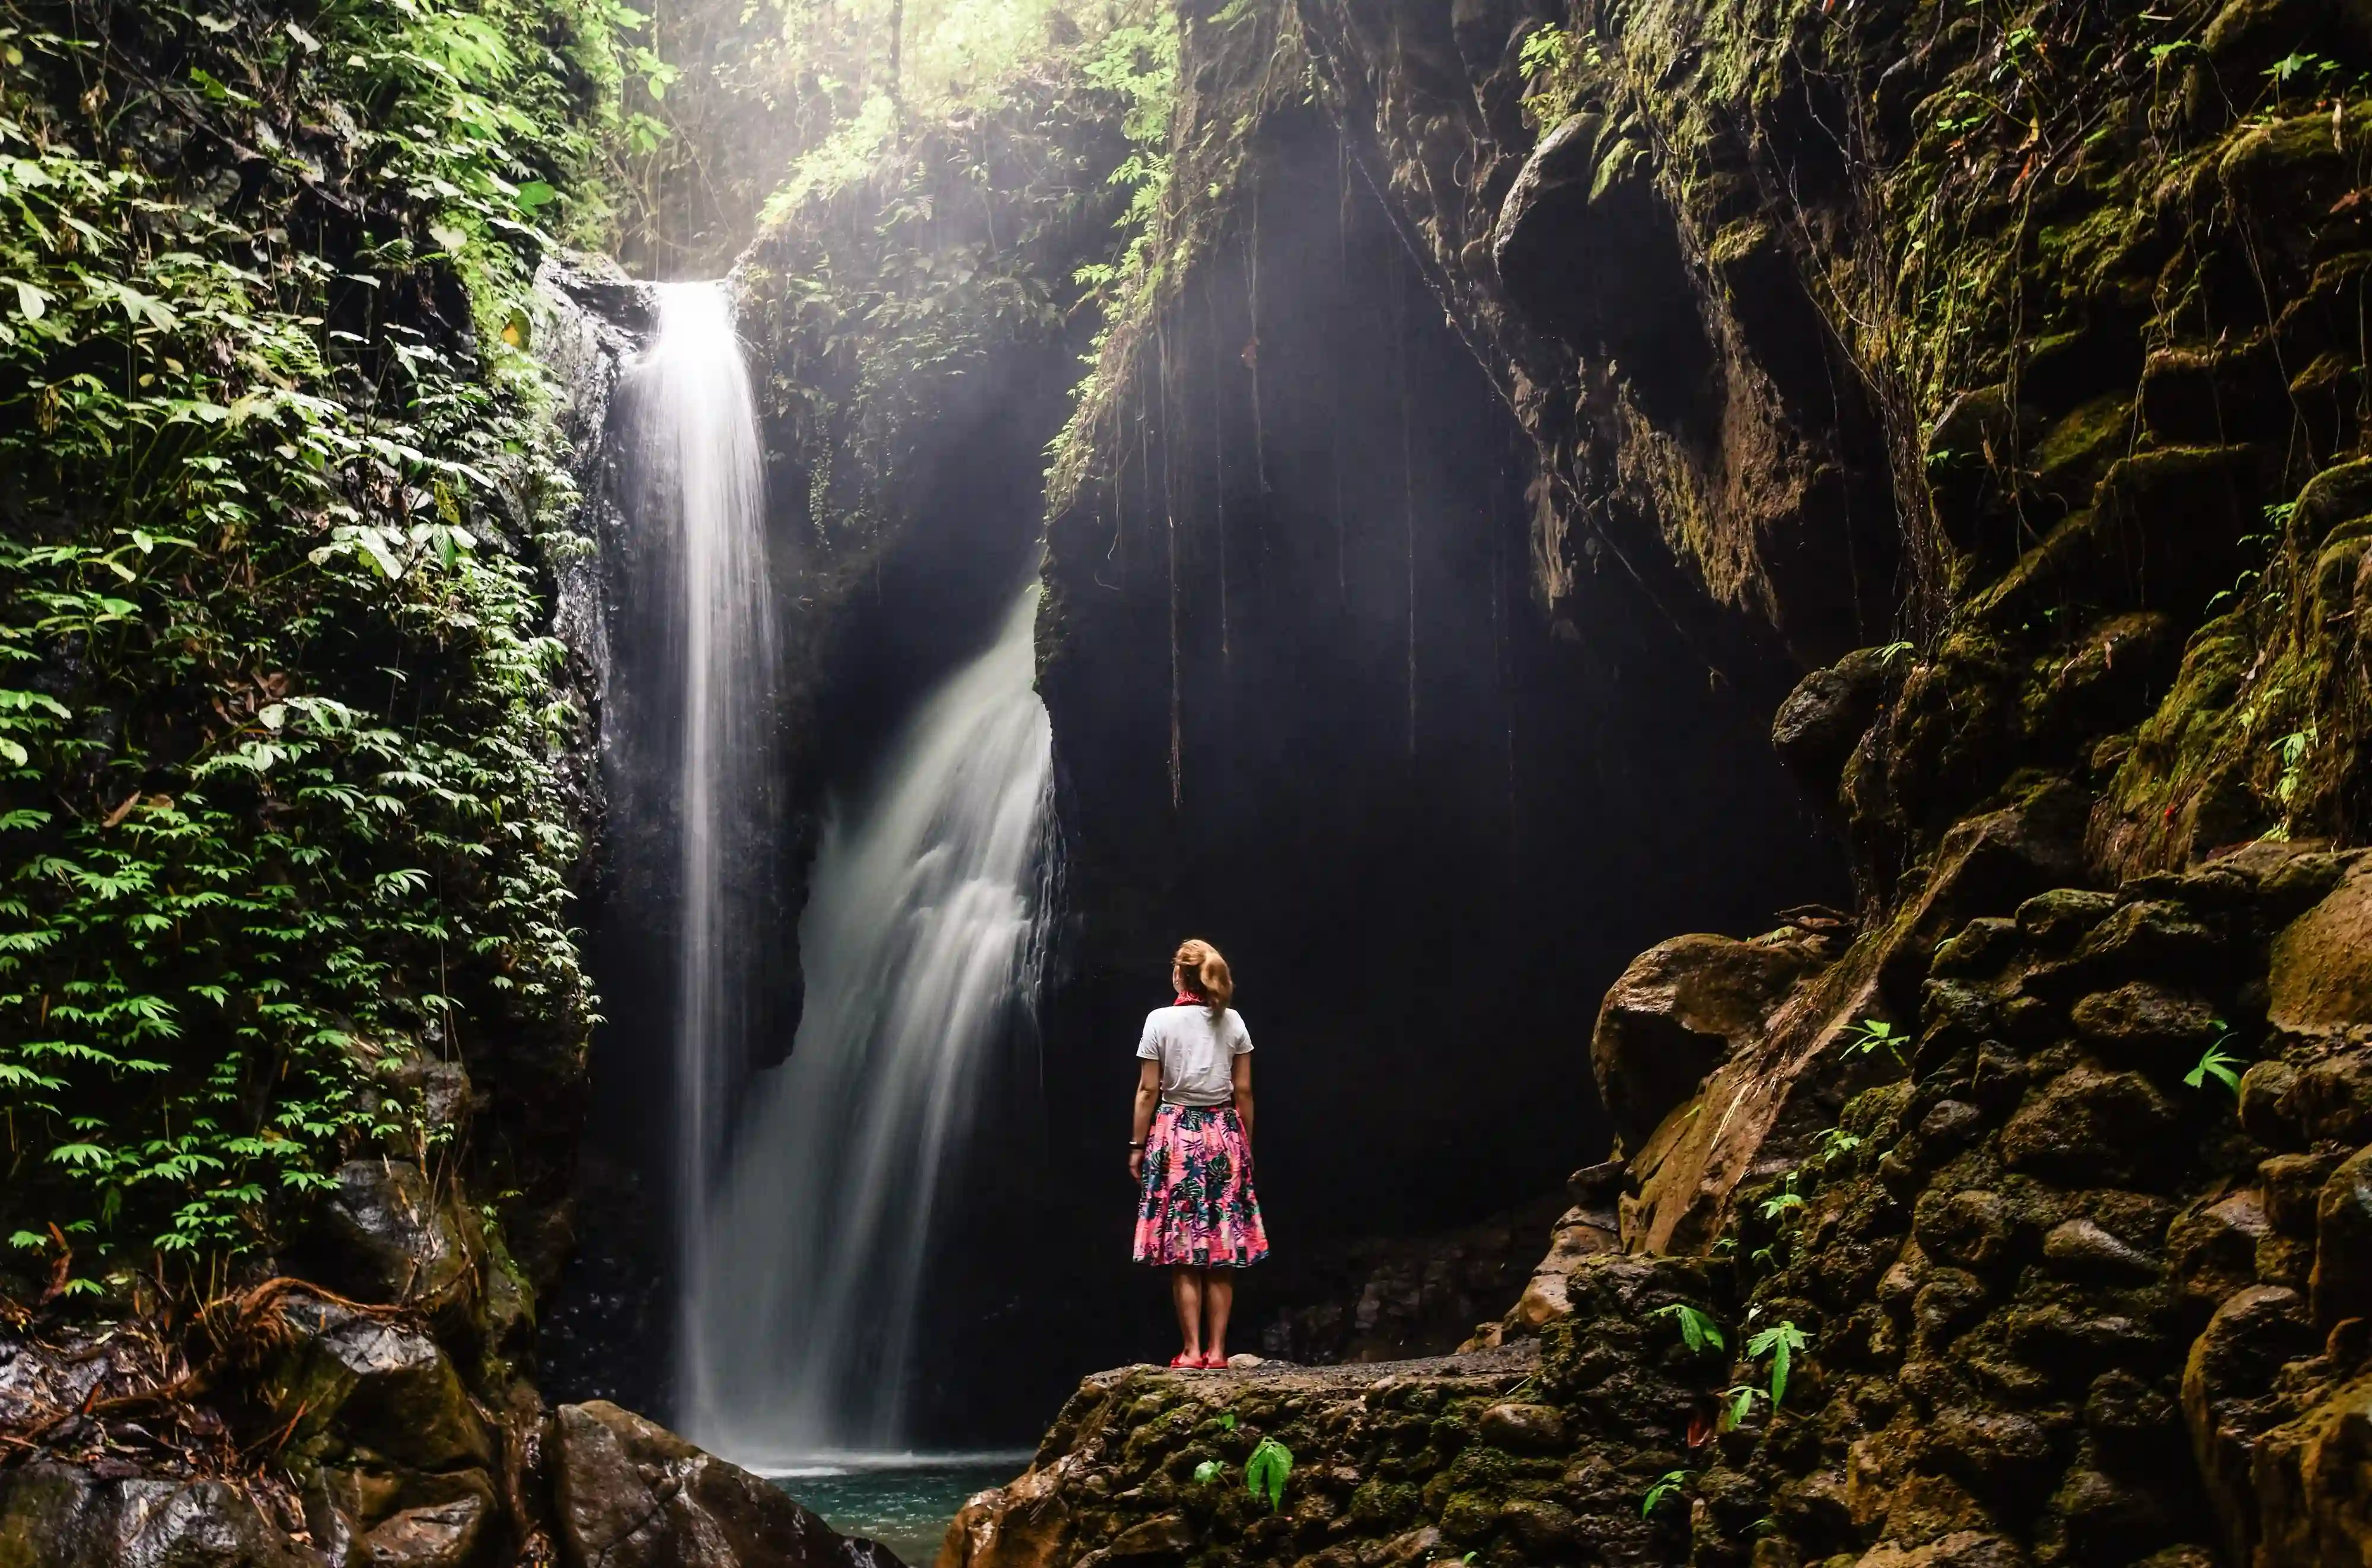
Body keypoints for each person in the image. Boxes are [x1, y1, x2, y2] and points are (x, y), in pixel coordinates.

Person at [1128, 938, 1269, 1369]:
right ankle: (1219, 1352)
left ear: (1178, 976)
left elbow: (1148, 1090)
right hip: (1224, 1132)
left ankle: (1190, 1352)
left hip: (1176, 1134)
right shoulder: (1234, 1022)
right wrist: (1244, 1144)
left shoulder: (1159, 1021)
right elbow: (1243, 1090)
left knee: (1182, 1250)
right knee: (1221, 1247)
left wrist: (1137, 1146)